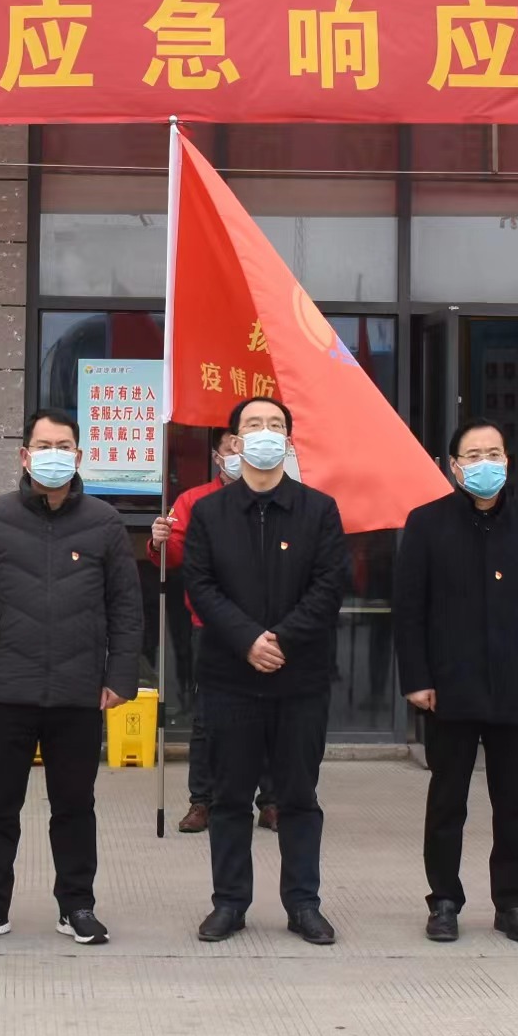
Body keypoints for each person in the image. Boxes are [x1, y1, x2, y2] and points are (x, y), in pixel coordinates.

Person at [0, 409, 145, 947]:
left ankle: (77, 906)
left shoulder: (104, 522)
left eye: (63, 446)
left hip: (80, 690)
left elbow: (126, 608)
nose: (53, 455)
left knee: (75, 806)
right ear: (24, 455)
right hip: (8, 686)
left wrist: (120, 676)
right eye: (43, 445)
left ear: (78, 456)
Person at [179, 396, 349, 947]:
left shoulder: (319, 510)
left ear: (289, 441)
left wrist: (281, 640)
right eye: (254, 425)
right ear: (234, 441)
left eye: (275, 425)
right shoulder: (209, 512)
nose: (265, 433)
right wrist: (248, 639)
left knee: (298, 797)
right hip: (229, 676)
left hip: (300, 680)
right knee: (229, 797)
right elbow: (200, 584)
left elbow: (328, 586)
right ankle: (229, 903)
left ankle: (303, 903)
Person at [396, 420, 518, 944]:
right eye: (473, 455)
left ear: (507, 461)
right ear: (454, 466)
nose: (484, 463)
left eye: (494, 453)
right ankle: (444, 900)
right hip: (450, 687)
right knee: (448, 801)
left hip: (515, 685)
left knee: (513, 804)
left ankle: (512, 903)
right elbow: (409, 609)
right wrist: (416, 677)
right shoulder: (426, 523)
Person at [150, 430, 272, 833]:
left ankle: (271, 800)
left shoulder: (278, 499)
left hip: (268, 627)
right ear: (218, 457)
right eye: (231, 448)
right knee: (207, 718)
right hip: (212, 626)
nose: (240, 454)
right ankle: (202, 800)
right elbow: (174, 556)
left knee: (270, 714)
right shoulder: (194, 501)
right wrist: (160, 542)